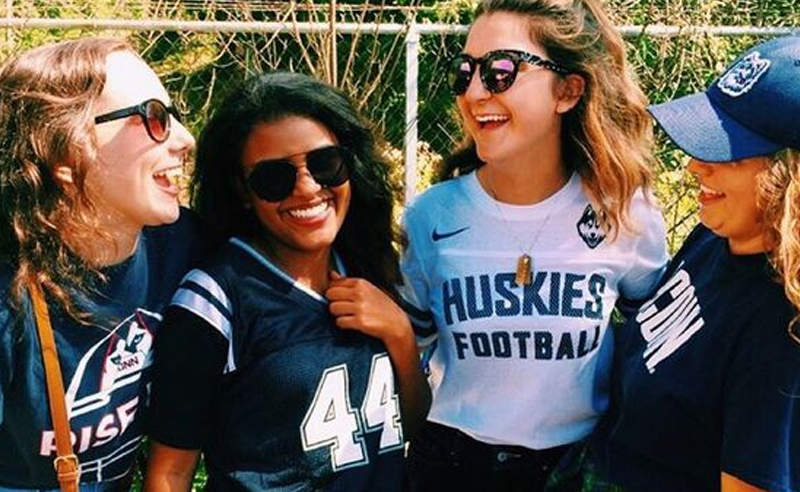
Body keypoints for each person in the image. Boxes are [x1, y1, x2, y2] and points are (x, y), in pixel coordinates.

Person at [398, 0, 669, 491]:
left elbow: (655, 355)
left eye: (501, 71)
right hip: (450, 468)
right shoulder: (431, 217)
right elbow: (406, 361)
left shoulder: (624, 211)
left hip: (577, 470)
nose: (474, 92)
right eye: (466, 71)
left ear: (568, 90)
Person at [143, 71, 431, 492]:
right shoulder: (215, 299)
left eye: (325, 163)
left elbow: (408, 424)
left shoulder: (367, 264)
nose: (307, 188)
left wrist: (400, 335)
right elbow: (169, 473)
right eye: (274, 177)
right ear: (243, 190)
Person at [546, 35, 800, 492]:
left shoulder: (782, 331)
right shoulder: (718, 236)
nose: (696, 167)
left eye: (728, 151)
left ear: (790, 178)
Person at [0, 37, 203, 491]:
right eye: (153, 117)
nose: (185, 139)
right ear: (66, 156)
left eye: (174, 115)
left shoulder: (184, 247)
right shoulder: (9, 295)